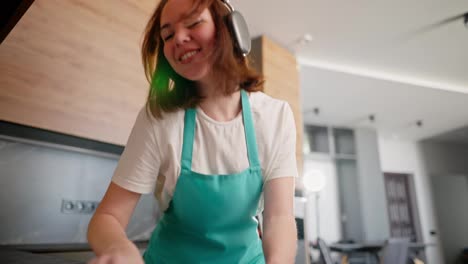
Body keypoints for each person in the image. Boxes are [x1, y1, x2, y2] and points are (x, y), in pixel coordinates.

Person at [87, 0, 298, 263]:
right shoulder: (160, 119)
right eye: (168, 35)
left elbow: (279, 217)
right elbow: (108, 217)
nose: (179, 38)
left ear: (231, 29)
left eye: (193, 23)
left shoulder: (274, 117)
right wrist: (118, 248)